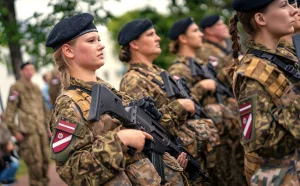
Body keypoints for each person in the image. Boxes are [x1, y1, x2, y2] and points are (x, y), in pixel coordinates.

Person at [46, 13, 188, 186]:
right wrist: (120, 140)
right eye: (91, 41)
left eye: (99, 39)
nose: (101, 46)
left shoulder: (110, 92)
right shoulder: (68, 104)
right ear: (68, 51)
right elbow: (71, 171)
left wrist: (170, 160)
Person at [117, 18, 220, 185]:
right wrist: (179, 107)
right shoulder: (133, 80)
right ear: (134, 44)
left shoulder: (158, 72)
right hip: (174, 161)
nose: (157, 38)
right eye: (150, 35)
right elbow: (144, 128)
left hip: (193, 153)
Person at [229, 0, 299, 184]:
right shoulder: (251, 74)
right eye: (284, 5)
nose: (294, 10)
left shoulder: (282, 56)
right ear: (260, 19)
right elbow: (259, 141)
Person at [167, 17, 242, 186]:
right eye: (195, 31)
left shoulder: (202, 64)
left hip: (225, 135)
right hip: (207, 142)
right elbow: (182, 105)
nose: (201, 34)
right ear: (183, 38)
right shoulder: (178, 69)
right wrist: (201, 87)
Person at [4, 61, 50, 186]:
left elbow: (44, 109)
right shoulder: (16, 88)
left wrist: (48, 127)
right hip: (28, 134)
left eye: (32, 69)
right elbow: (9, 112)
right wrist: (15, 131)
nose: (30, 71)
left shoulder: (36, 87)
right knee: (35, 163)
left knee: (46, 161)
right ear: (22, 71)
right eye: (27, 69)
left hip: (41, 131)